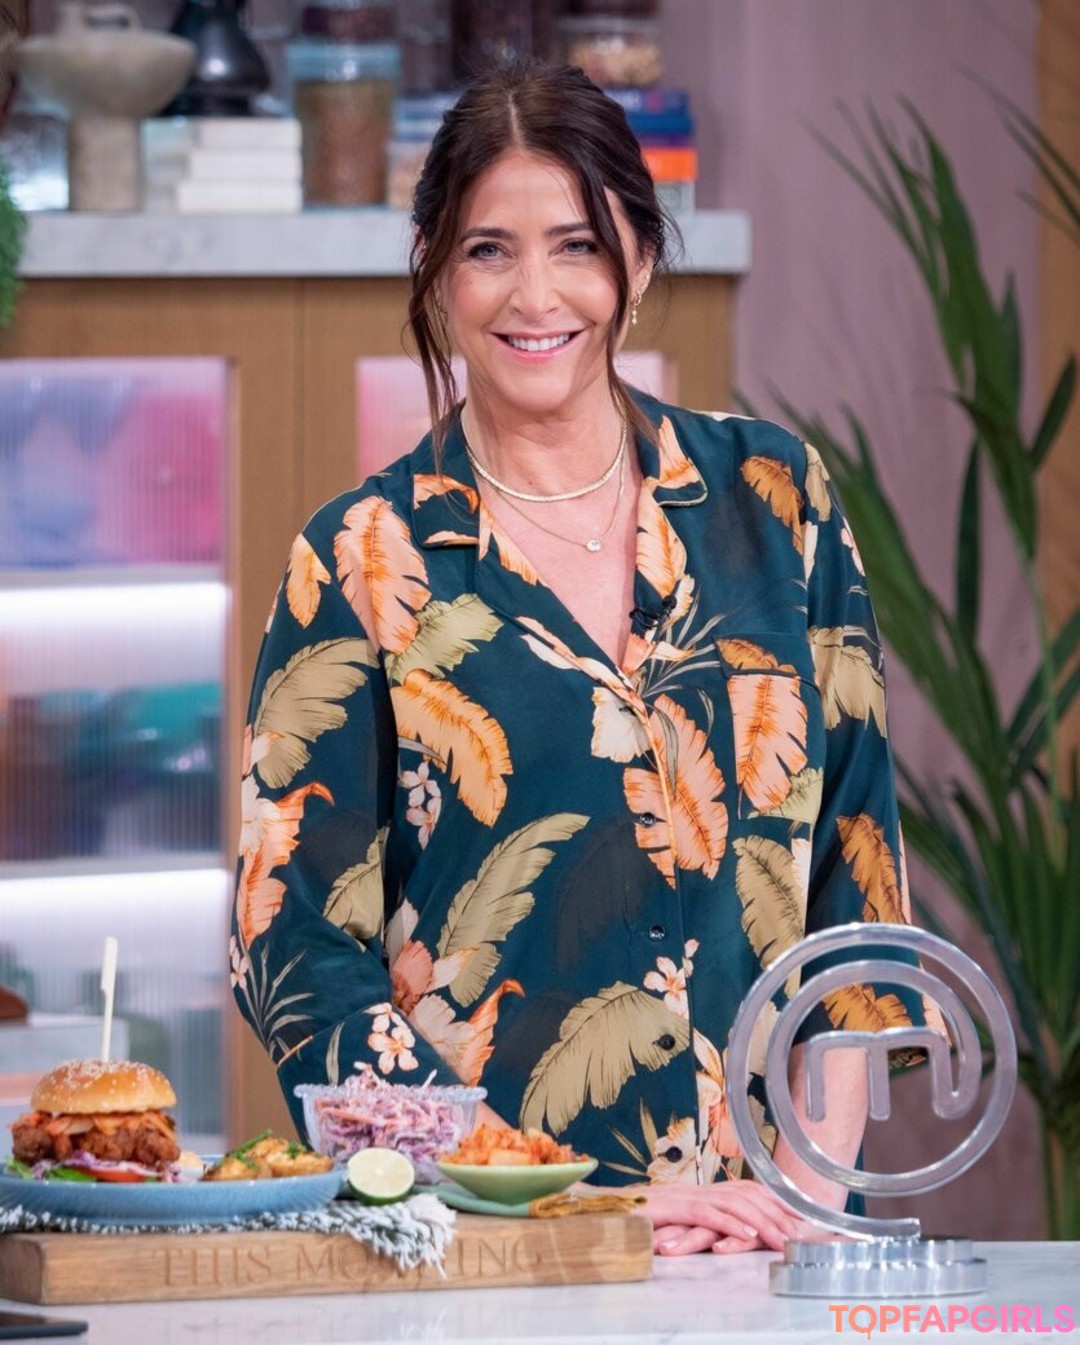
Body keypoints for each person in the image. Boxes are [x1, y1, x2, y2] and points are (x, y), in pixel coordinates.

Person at [232, 60, 921, 1257]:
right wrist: (545, 1200)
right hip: (497, 1253)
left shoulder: (776, 499)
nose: (534, 294)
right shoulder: (358, 559)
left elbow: (855, 873)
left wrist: (810, 1196)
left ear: (638, 261)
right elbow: (290, 945)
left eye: (576, 246)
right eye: (488, 250)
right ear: (434, 271)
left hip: (776, 1239)